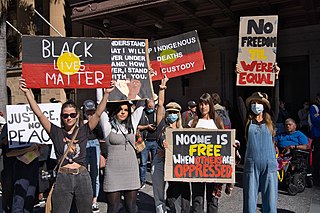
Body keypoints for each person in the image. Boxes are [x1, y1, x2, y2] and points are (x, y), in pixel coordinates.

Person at [19, 78, 112, 213]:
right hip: (63, 177)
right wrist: (27, 93)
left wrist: (107, 94)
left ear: (77, 116)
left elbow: (98, 113)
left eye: (72, 115)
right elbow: (39, 114)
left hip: (82, 176)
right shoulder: (55, 132)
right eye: (65, 115)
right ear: (61, 117)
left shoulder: (83, 130)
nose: (69, 117)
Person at [98, 89, 144, 213]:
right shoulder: (108, 125)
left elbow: (141, 104)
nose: (123, 112)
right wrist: (102, 88)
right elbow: (99, 105)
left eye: (126, 110)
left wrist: (146, 79)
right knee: (113, 208)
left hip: (131, 171)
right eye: (120, 109)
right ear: (115, 110)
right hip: (113, 172)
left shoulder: (132, 124)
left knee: (131, 207)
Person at [189, 93, 224, 213]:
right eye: (201, 104)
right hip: (197, 166)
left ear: (210, 105)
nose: (203, 107)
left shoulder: (217, 122)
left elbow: (226, 139)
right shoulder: (193, 123)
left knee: (213, 200)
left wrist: (234, 144)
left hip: (214, 166)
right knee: (197, 199)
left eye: (206, 104)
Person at [243, 92, 278, 213]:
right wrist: (238, 76)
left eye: (259, 103)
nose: (256, 105)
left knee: (270, 198)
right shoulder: (247, 121)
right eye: (253, 103)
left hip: (269, 163)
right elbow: (239, 102)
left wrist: (277, 79)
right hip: (251, 164)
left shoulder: (271, 120)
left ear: (264, 105)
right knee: (249, 198)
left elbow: (276, 102)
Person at [82, 99, 105, 212]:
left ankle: (94, 199)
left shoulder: (96, 120)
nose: (90, 114)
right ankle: (84, 199)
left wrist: (95, 124)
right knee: (84, 172)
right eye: (88, 112)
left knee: (95, 172)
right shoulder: (80, 122)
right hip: (84, 145)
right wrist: (84, 125)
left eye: (92, 112)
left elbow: (101, 135)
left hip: (94, 143)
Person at [138, 98, 158, 189]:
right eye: (150, 107)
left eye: (153, 107)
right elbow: (137, 126)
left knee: (156, 163)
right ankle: (142, 181)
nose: (151, 108)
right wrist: (147, 127)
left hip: (155, 141)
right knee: (143, 163)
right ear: (146, 106)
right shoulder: (141, 113)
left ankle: (156, 181)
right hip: (144, 141)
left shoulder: (157, 112)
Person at [310, 94, 320, 185]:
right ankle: (316, 177)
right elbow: (315, 120)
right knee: (317, 156)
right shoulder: (314, 108)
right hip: (317, 135)